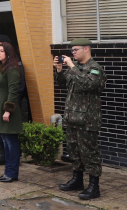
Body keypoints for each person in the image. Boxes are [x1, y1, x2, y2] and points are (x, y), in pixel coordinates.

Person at [54, 38, 106, 200]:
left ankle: (93, 187)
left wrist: (71, 65)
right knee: (74, 152)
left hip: (87, 120)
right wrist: (59, 70)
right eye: (72, 50)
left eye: (76, 49)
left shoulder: (95, 69)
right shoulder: (76, 68)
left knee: (89, 153)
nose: (73, 53)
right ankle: (77, 180)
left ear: (86, 49)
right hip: (72, 118)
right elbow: (62, 83)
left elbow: (86, 83)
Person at [0, 43, 22, 183]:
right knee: (5, 142)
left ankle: (12, 172)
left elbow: (13, 92)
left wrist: (8, 110)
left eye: (1, 51)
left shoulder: (12, 70)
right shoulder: (0, 68)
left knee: (10, 142)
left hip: (8, 111)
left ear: (8, 54)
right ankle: (8, 171)